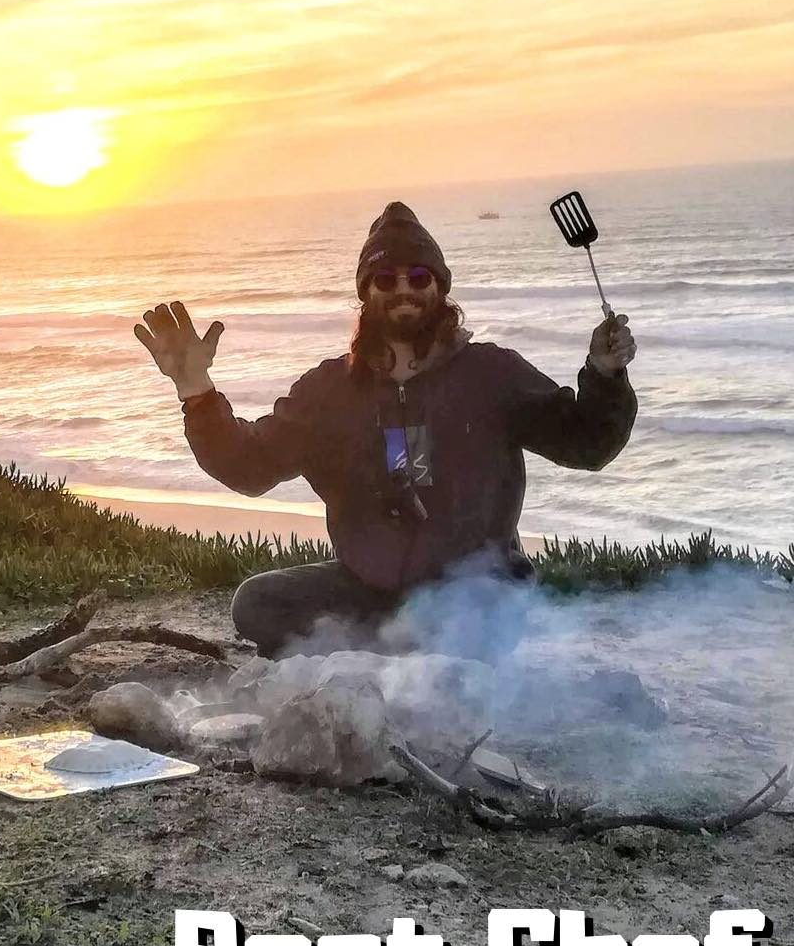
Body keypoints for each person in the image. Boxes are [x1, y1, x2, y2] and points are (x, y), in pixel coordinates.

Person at [134, 201, 638, 656]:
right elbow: (249, 467)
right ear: (365, 292)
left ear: (440, 288)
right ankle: (388, 654)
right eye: (387, 278)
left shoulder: (493, 374)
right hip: (370, 592)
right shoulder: (328, 391)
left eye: (420, 277)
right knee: (257, 603)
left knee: (467, 627)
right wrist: (196, 390)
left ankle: (384, 656)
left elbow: (586, 444)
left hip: (477, 592)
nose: (404, 289)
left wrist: (604, 376)